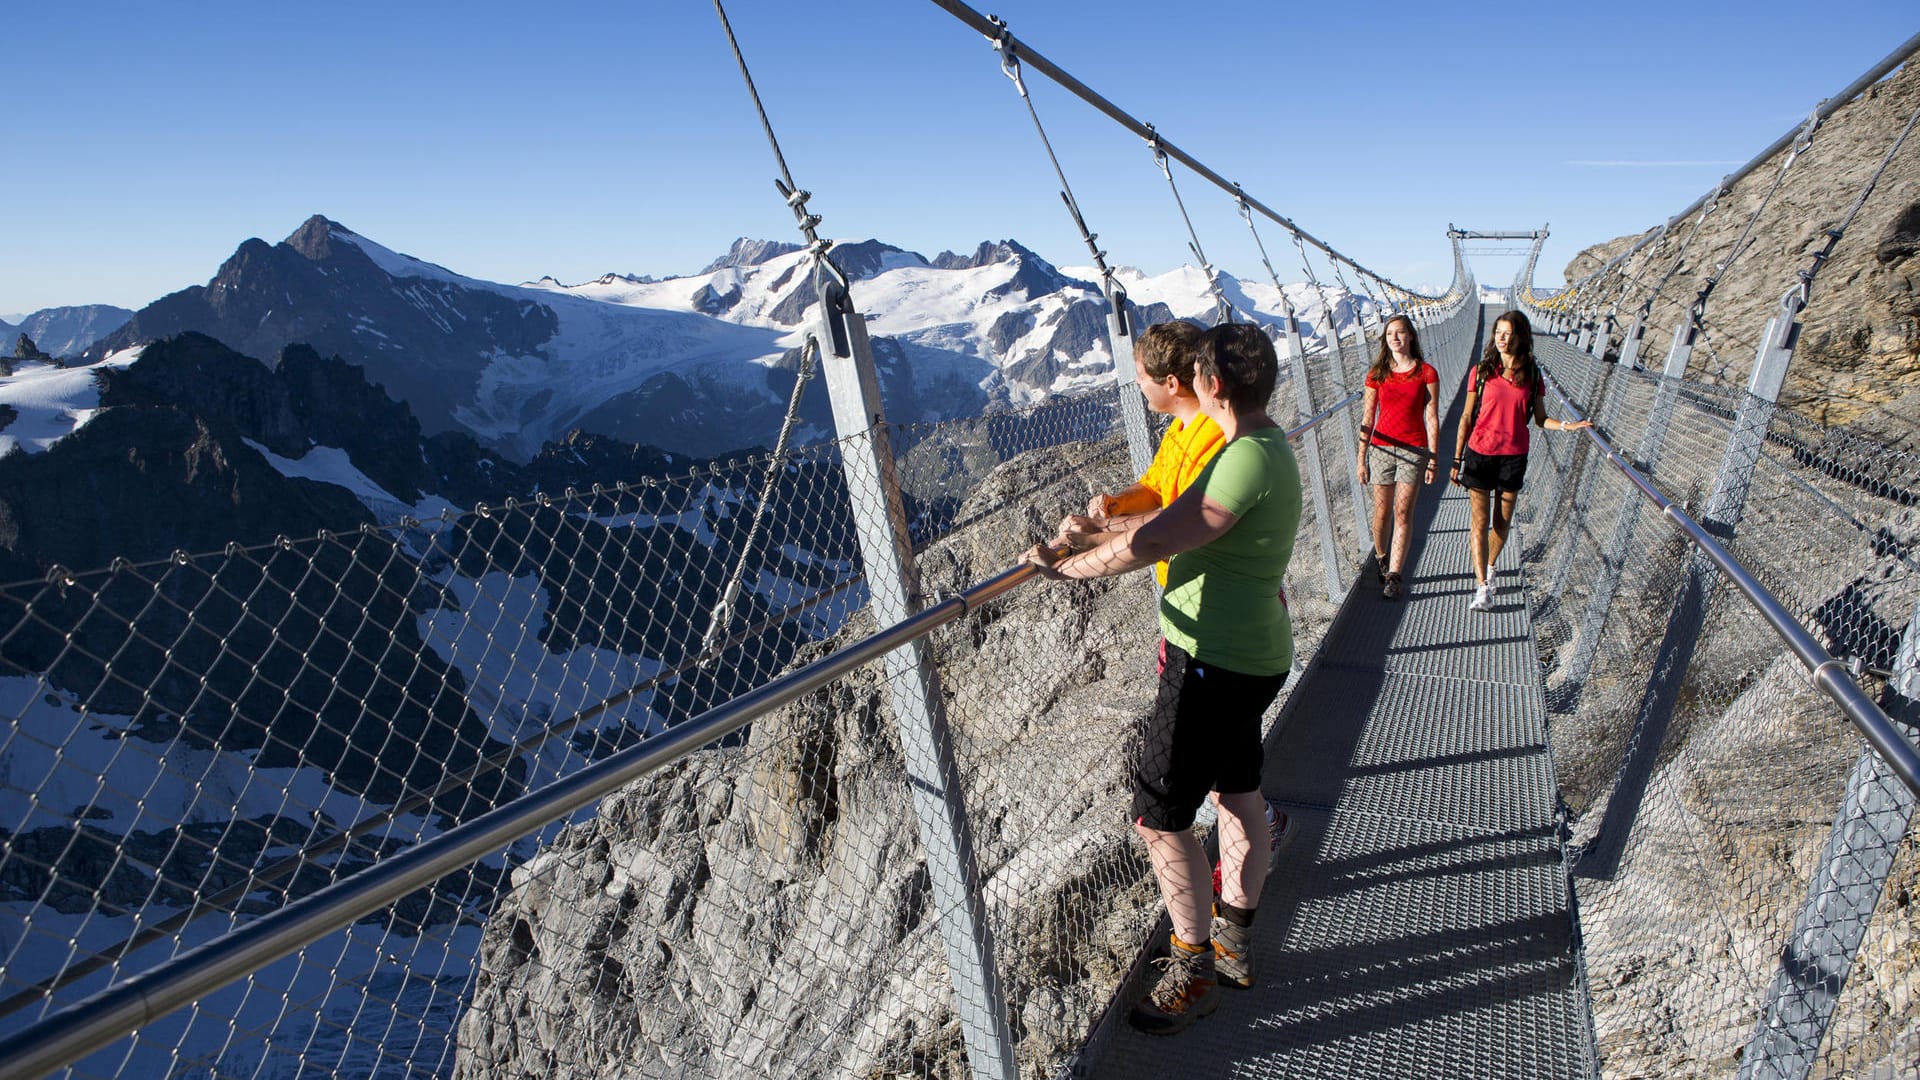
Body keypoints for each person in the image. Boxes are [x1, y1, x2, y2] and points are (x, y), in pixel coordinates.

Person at [1024, 323, 1300, 1036]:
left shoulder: (1242, 457)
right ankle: (1233, 947)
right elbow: (1165, 516)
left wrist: (1066, 567)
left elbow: (1160, 538)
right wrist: (1102, 530)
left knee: (1159, 815)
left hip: (1213, 658)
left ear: (1210, 385)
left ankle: (1194, 967)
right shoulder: (1264, 447)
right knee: (1239, 793)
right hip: (1249, 655)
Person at [1064, 320, 1222, 589]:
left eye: (1142, 375)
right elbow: (1153, 487)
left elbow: (1174, 525)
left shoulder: (1213, 437)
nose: (1137, 381)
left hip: (1209, 589)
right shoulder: (1179, 429)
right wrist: (1117, 504)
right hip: (1186, 585)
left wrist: (1097, 535)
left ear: (1171, 383)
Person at [1451, 309, 1592, 611]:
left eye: (1508, 333)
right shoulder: (1482, 370)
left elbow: (1540, 419)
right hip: (1479, 453)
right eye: (1498, 332)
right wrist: (1455, 458)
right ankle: (1482, 586)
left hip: (1513, 456)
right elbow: (1465, 416)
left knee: (1502, 523)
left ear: (1520, 337)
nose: (1501, 338)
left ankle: (1489, 566)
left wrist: (1569, 426)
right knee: (1479, 522)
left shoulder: (1532, 374)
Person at [1356, 314, 1439, 600]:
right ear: (1385, 339)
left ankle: (1394, 576)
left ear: (1411, 336)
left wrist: (1433, 457)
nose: (1395, 337)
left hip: (1412, 450)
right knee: (1382, 512)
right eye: (1390, 333)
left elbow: (1431, 417)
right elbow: (1368, 417)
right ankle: (1381, 557)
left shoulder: (1426, 373)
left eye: (1400, 332)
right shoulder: (1377, 374)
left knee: (1403, 513)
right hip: (1380, 449)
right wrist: (1361, 457)